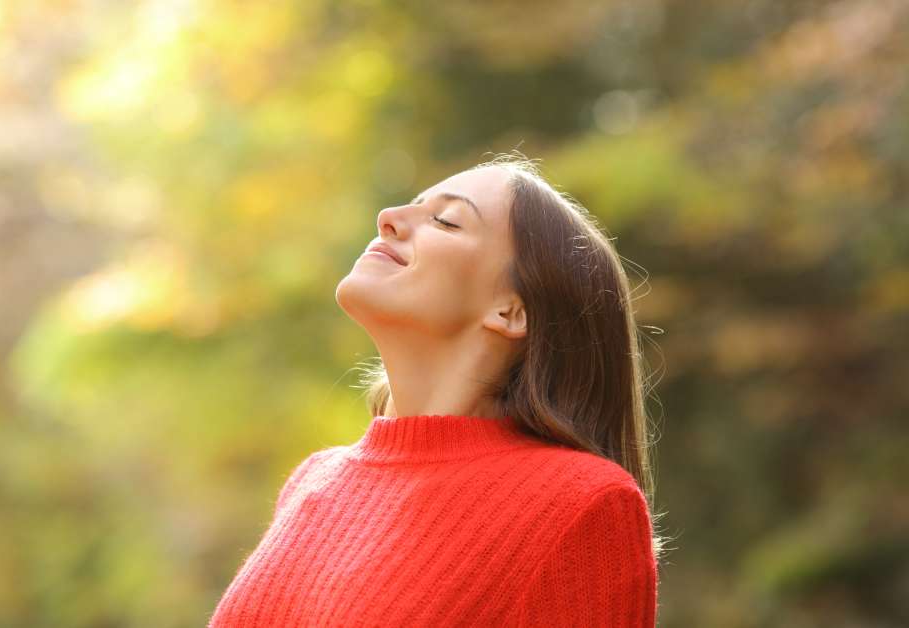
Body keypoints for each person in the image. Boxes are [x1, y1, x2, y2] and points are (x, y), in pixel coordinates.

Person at [209, 152, 668, 627]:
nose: (388, 218)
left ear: (511, 311)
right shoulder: (313, 481)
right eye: (411, 205)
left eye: (446, 221)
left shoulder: (583, 505)